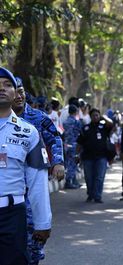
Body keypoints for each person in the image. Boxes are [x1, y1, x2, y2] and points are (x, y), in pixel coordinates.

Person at [0, 67, 52, 265]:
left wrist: (43, 222)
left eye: (7, 85)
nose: (2, 89)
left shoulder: (28, 132)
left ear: (16, 93)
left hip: (12, 216)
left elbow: (37, 180)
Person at [12, 77, 64, 265]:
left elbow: (54, 139)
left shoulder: (38, 117)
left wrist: (58, 163)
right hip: (9, 184)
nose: (19, 96)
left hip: (33, 180)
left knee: (34, 232)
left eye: (22, 91)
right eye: (15, 91)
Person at [77, 108, 113, 203]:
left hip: (101, 156)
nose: (95, 117)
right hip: (88, 157)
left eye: (97, 115)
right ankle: (90, 194)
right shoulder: (85, 128)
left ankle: (97, 196)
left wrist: (103, 117)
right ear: (90, 117)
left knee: (99, 177)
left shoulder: (104, 127)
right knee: (89, 177)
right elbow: (79, 143)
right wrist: (77, 155)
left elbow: (111, 124)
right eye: (93, 115)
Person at [63, 105, 83, 189]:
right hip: (74, 144)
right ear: (76, 112)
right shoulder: (76, 122)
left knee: (68, 163)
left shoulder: (65, 121)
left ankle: (74, 181)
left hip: (66, 144)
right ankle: (69, 181)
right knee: (73, 163)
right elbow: (81, 132)